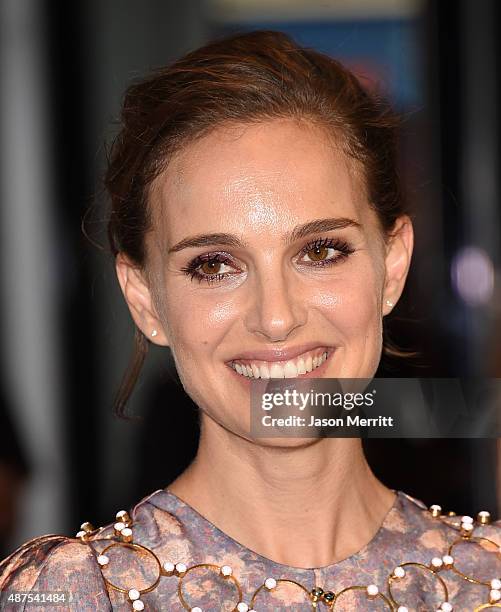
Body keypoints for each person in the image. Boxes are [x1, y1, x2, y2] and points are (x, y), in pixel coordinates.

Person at [0, 30, 499, 612]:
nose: (277, 317)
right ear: (144, 298)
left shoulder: (487, 581)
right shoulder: (64, 597)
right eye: (214, 265)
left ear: (392, 266)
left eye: (319, 252)